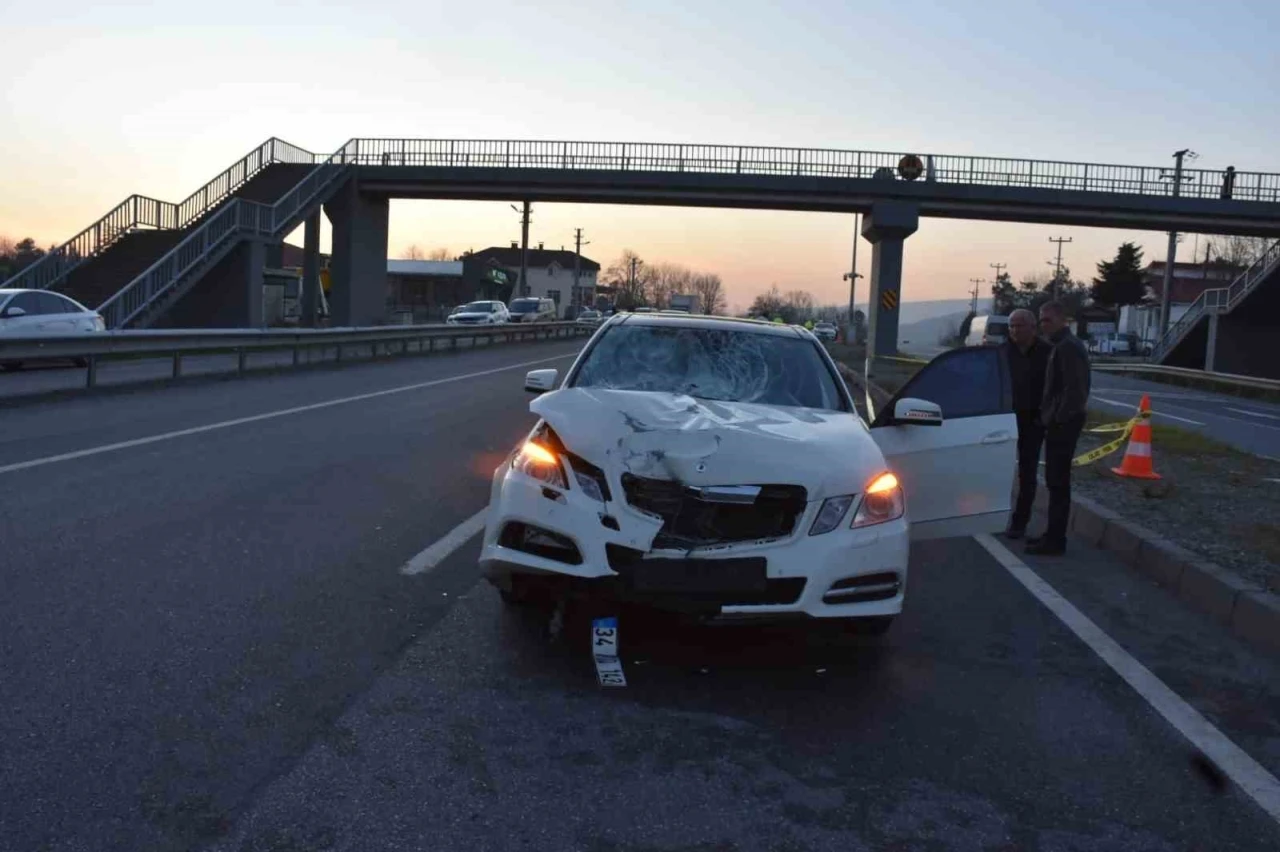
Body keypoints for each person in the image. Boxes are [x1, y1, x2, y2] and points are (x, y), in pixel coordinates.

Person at [1028, 300, 1091, 555]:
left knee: (1058, 482)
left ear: (1061, 320)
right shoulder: (1061, 345)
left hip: (1064, 425)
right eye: (1041, 320)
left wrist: (1057, 419)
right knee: (1055, 482)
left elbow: (1075, 391)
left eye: (1047, 320)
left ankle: (1055, 540)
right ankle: (1052, 535)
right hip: (1060, 422)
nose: (1043, 325)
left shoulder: (1068, 347)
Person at [1001, 309, 1049, 540]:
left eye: (1019, 325)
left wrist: (1044, 416)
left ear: (1032, 327)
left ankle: (1020, 522)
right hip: (1004, 420)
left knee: (1027, 473)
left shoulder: (1048, 353)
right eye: (1011, 326)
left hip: (1033, 422)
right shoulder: (1002, 352)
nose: (1014, 330)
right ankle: (992, 514)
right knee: (998, 469)